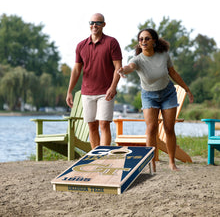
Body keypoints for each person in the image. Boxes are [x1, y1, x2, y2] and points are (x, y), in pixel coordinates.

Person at [117, 28, 194, 171]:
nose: (143, 41)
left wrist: (186, 89)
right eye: (141, 39)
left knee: (169, 128)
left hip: (168, 94)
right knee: (151, 128)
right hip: (149, 96)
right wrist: (123, 70)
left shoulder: (164, 55)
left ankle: (172, 163)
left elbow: (173, 73)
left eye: (147, 38)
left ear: (154, 41)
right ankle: (151, 163)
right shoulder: (137, 60)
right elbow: (130, 67)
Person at [66, 13, 122, 149]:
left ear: (104, 24)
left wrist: (113, 87)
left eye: (97, 22)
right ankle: (95, 157)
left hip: (105, 92)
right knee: (92, 125)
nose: (94, 25)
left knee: (104, 123)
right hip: (87, 92)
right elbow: (76, 70)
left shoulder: (111, 42)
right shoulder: (81, 45)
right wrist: (69, 92)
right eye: (92, 22)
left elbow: (118, 67)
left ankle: (104, 157)